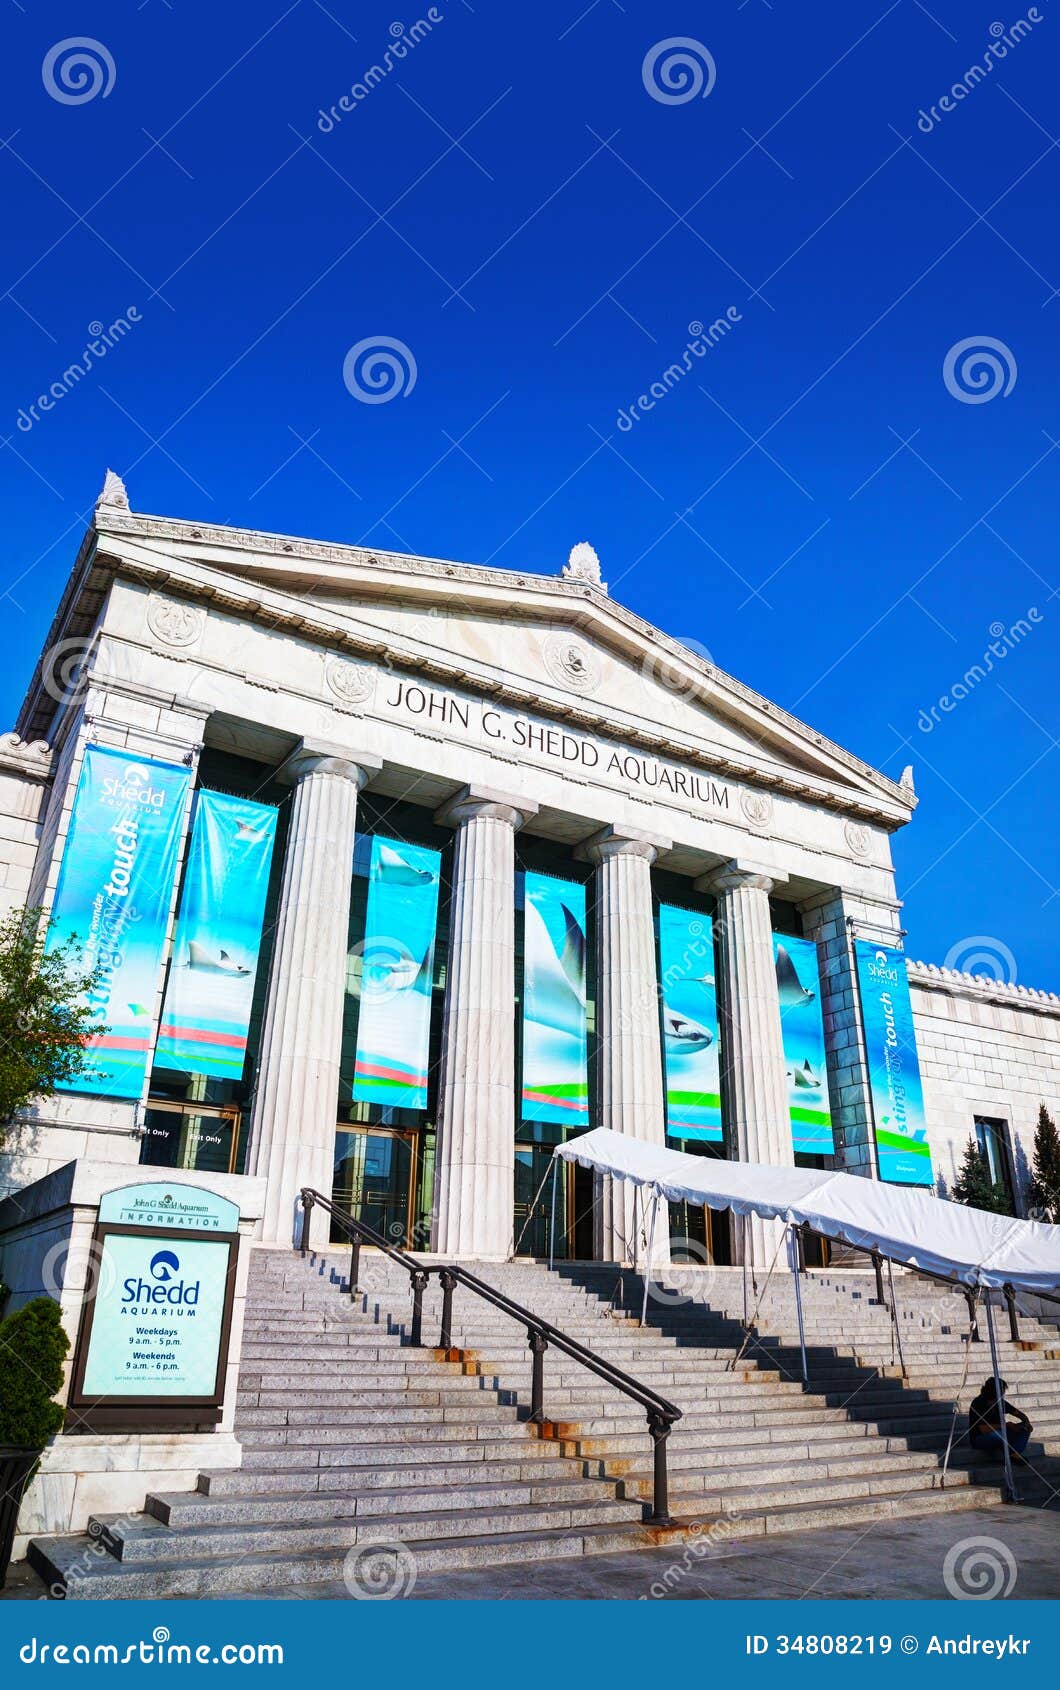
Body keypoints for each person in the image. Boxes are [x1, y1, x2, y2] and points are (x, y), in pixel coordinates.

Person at [968, 1376, 1032, 1460]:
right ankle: (1012, 1453)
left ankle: (1013, 1454)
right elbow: (983, 1429)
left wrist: (1025, 1421)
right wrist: (1006, 1425)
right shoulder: (978, 1403)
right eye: (1002, 1392)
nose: (1003, 1394)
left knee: (1025, 1429)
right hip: (980, 1438)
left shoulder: (999, 1402)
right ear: (994, 1391)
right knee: (1000, 1435)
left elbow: (1017, 1413)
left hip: (1000, 1432)